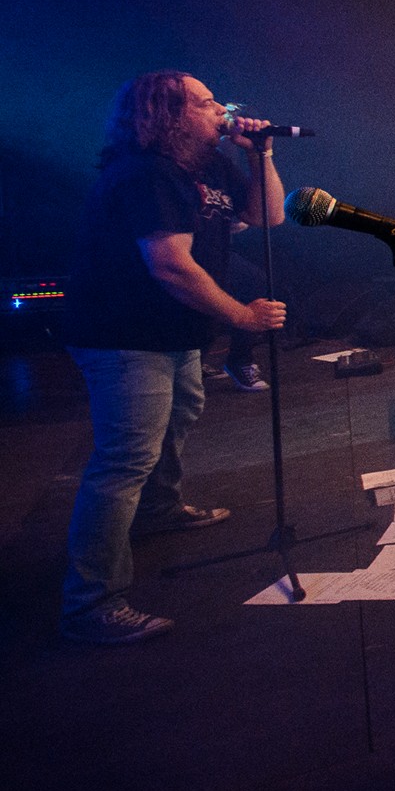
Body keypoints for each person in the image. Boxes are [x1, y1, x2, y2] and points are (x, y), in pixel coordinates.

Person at [58, 71, 287, 644]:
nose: (221, 110)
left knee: (179, 415)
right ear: (169, 115)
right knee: (124, 461)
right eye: (207, 103)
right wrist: (241, 317)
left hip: (172, 330)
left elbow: (269, 216)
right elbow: (169, 264)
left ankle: (158, 510)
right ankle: (90, 603)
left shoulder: (209, 165)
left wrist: (261, 154)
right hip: (123, 334)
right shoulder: (146, 173)